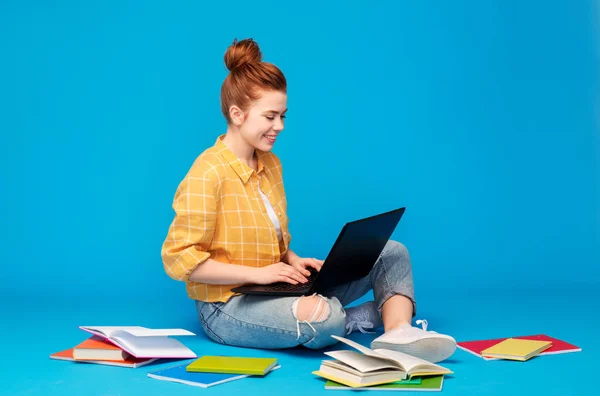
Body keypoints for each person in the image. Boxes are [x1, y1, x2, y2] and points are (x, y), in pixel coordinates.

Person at [161, 38, 456, 362]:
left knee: (391, 252)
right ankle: (354, 317)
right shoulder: (207, 173)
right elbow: (180, 259)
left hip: (276, 286)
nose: (280, 126)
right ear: (237, 114)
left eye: (283, 116)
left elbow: (262, 236)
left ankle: (398, 331)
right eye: (270, 116)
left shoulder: (270, 164)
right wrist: (258, 275)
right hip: (226, 305)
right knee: (325, 317)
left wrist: (291, 259)